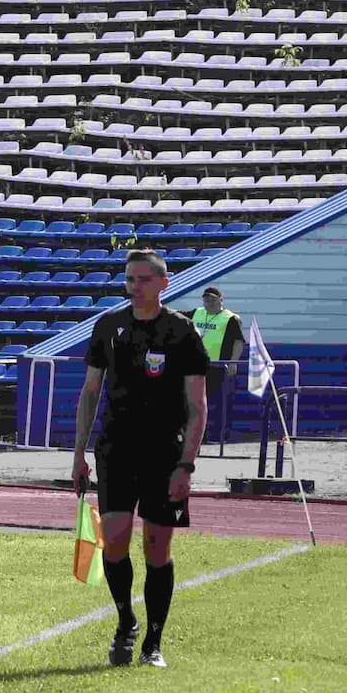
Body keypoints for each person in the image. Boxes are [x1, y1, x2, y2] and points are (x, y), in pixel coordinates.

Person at [71, 249, 208, 669]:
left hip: (165, 452)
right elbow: (91, 391)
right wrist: (77, 453)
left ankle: (154, 642)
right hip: (115, 448)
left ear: (163, 283)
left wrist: (186, 465)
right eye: (130, 279)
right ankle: (126, 620)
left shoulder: (182, 332)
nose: (135, 286)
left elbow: (197, 405)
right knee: (113, 540)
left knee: (156, 547)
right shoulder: (108, 326)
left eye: (144, 279)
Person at [191, 286, 245, 447]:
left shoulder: (230, 318)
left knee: (219, 403)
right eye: (206, 299)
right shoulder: (197, 313)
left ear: (221, 300)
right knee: (196, 402)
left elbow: (238, 342)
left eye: (213, 299)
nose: (209, 302)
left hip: (219, 366)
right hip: (196, 366)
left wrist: (233, 362)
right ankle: (200, 436)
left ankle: (219, 435)